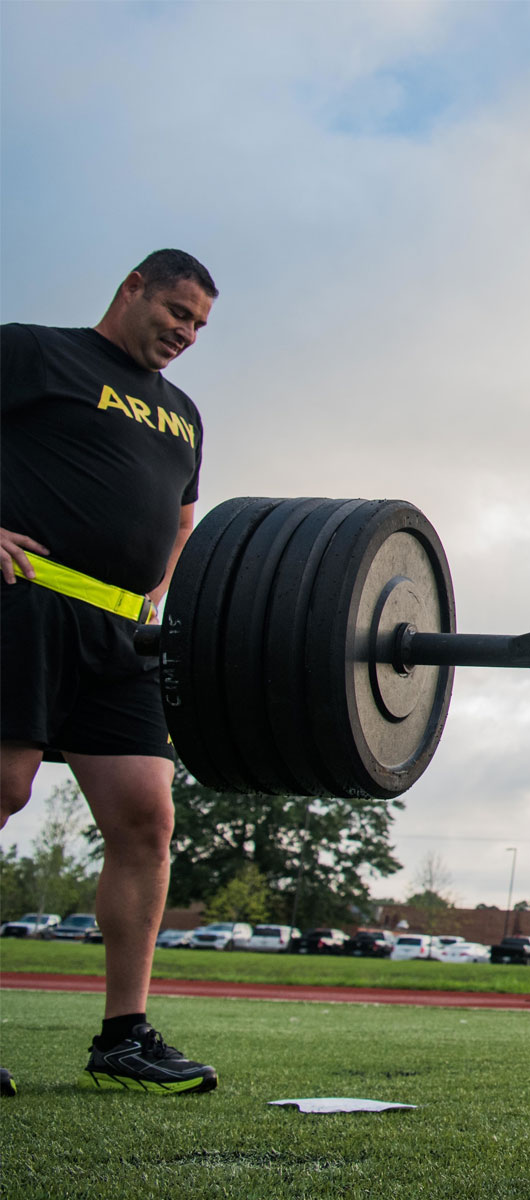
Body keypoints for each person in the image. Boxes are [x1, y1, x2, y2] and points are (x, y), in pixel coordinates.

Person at [1, 249, 220, 1095]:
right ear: (133, 287)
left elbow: (182, 519)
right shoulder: (33, 352)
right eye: (176, 311)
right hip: (26, 600)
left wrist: (160, 595)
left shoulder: (185, 414)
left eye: (199, 325)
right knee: (8, 788)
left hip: (124, 634)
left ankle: (123, 1034)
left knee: (146, 820)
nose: (186, 333)